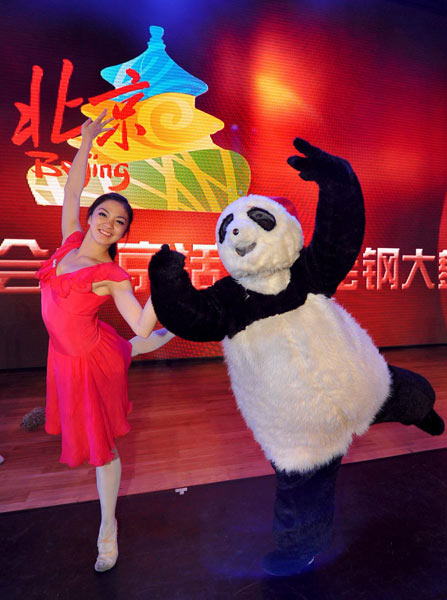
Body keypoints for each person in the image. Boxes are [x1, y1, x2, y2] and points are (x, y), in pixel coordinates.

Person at [36, 110, 172, 573]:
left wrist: (161, 285)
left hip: (91, 359)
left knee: (104, 449)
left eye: (119, 221)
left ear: (124, 234)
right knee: (133, 347)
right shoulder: (68, 242)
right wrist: (85, 145)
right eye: (104, 214)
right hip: (67, 356)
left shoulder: (111, 274)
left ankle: (107, 530)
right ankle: (179, 325)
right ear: (93, 217)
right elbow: (71, 191)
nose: (108, 223)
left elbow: (136, 323)